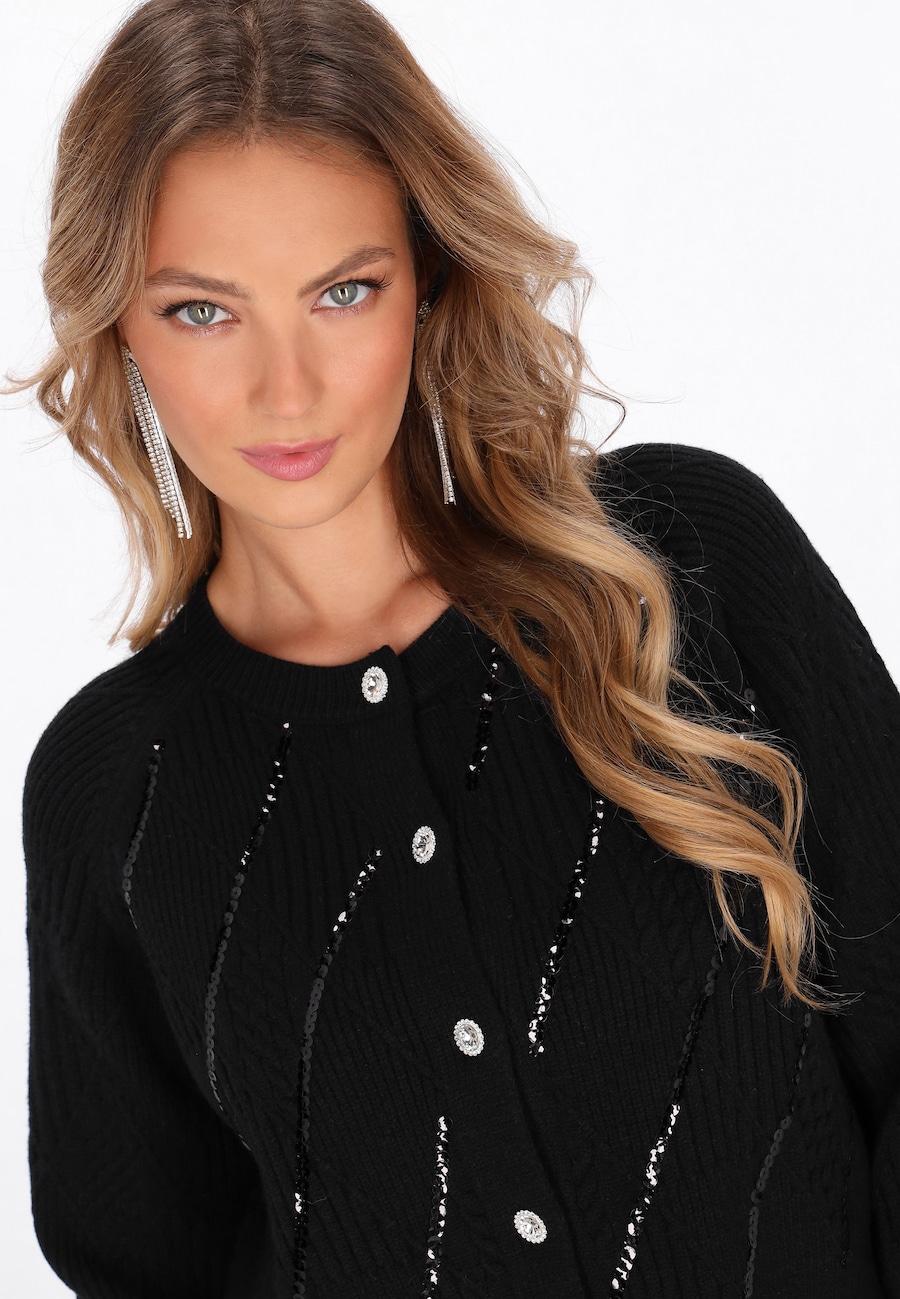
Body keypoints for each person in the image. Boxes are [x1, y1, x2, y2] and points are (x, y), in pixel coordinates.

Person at [19, 0, 900, 1295]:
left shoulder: (686, 566)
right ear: (120, 327)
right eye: (204, 310)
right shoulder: (112, 790)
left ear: (427, 278)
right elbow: (145, 1263)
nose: (286, 389)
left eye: (343, 291)